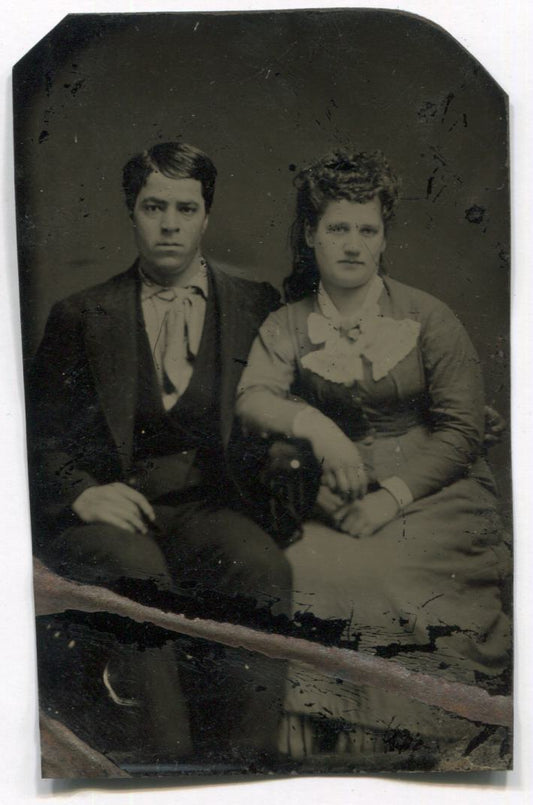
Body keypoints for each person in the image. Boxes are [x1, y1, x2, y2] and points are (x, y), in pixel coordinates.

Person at [236, 149, 511, 763]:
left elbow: (464, 430)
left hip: (435, 487)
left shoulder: (428, 317)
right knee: (303, 571)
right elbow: (254, 397)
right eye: (338, 229)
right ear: (311, 235)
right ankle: (324, 752)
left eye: (368, 229)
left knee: (392, 575)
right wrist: (317, 427)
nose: (353, 245)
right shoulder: (289, 324)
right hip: (341, 485)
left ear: (385, 237)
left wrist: (392, 498)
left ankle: (415, 745)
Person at [28, 141, 292, 770]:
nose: (169, 223)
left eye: (184, 207)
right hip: (109, 515)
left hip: (205, 507)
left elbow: (307, 394)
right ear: (131, 211)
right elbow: (31, 435)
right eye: (153, 206)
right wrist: (81, 492)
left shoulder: (257, 305)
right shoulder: (81, 315)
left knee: (261, 567)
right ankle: (165, 772)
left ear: (207, 215)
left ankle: (242, 773)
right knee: (135, 570)